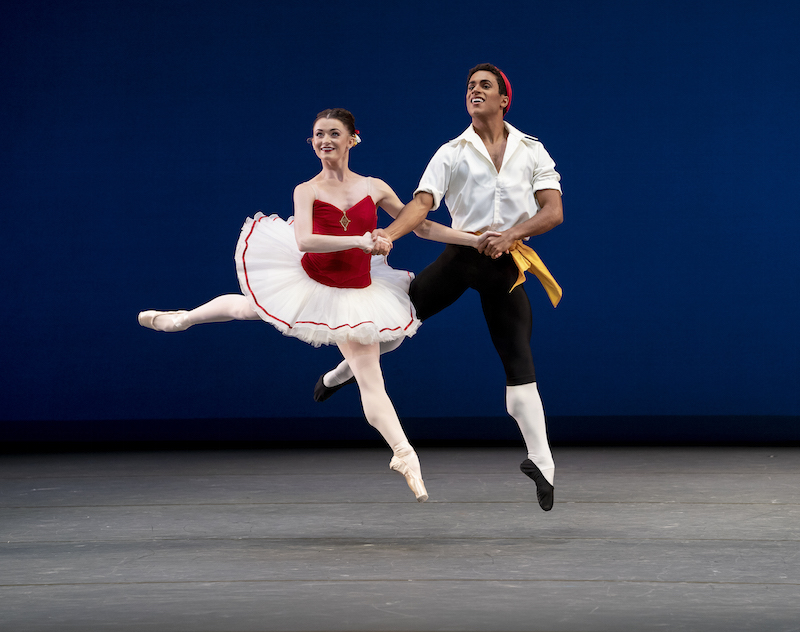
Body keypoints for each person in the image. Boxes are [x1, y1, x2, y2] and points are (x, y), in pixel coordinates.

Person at [138, 108, 489, 503]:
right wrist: (359, 240)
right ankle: (181, 319)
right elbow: (304, 240)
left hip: (357, 290)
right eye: (318, 135)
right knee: (248, 308)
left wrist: (473, 240)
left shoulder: (374, 187)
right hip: (311, 281)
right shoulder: (307, 190)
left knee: (376, 368)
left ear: (352, 138)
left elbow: (420, 224)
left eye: (333, 134)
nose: (324, 141)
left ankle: (400, 452)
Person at [314, 66, 564, 511]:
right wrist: (390, 234)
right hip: (460, 258)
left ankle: (542, 463)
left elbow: (552, 211)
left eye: (484, 86)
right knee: (390, 327)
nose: (474, 91)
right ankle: (341, 372)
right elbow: (422, 206)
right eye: (470, 87)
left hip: (505, 265)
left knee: (520, 364)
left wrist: (511, 235)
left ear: (504, 99)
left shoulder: (532, 150)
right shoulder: (451, 152)